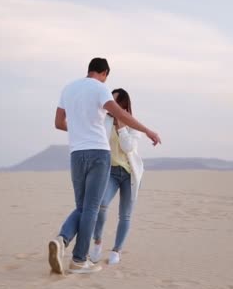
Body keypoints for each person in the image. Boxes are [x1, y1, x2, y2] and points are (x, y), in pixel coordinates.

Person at [48, 58, 161, 275]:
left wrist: (79, 129)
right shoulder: (101, 88)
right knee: (91, 208)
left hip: (76, 154)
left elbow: (59, 123)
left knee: (82, 207)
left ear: (88, 70)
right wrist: (148, 131)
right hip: (98, 153)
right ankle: (79, 260)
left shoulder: (68, 88)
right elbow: (120, 114)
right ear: (104, 73)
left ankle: (62, 239)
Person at [89, 88, 143, 265]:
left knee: (125, 215)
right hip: (110, 172)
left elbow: (128, 148)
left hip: (129, 174)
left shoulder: (133, 124)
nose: (111, 105)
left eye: (116, 102)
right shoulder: (105, 121)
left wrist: (121, 127)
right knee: (102, 205)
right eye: (110, 102)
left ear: (124, 105)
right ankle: (97, 242)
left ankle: (117, 250)